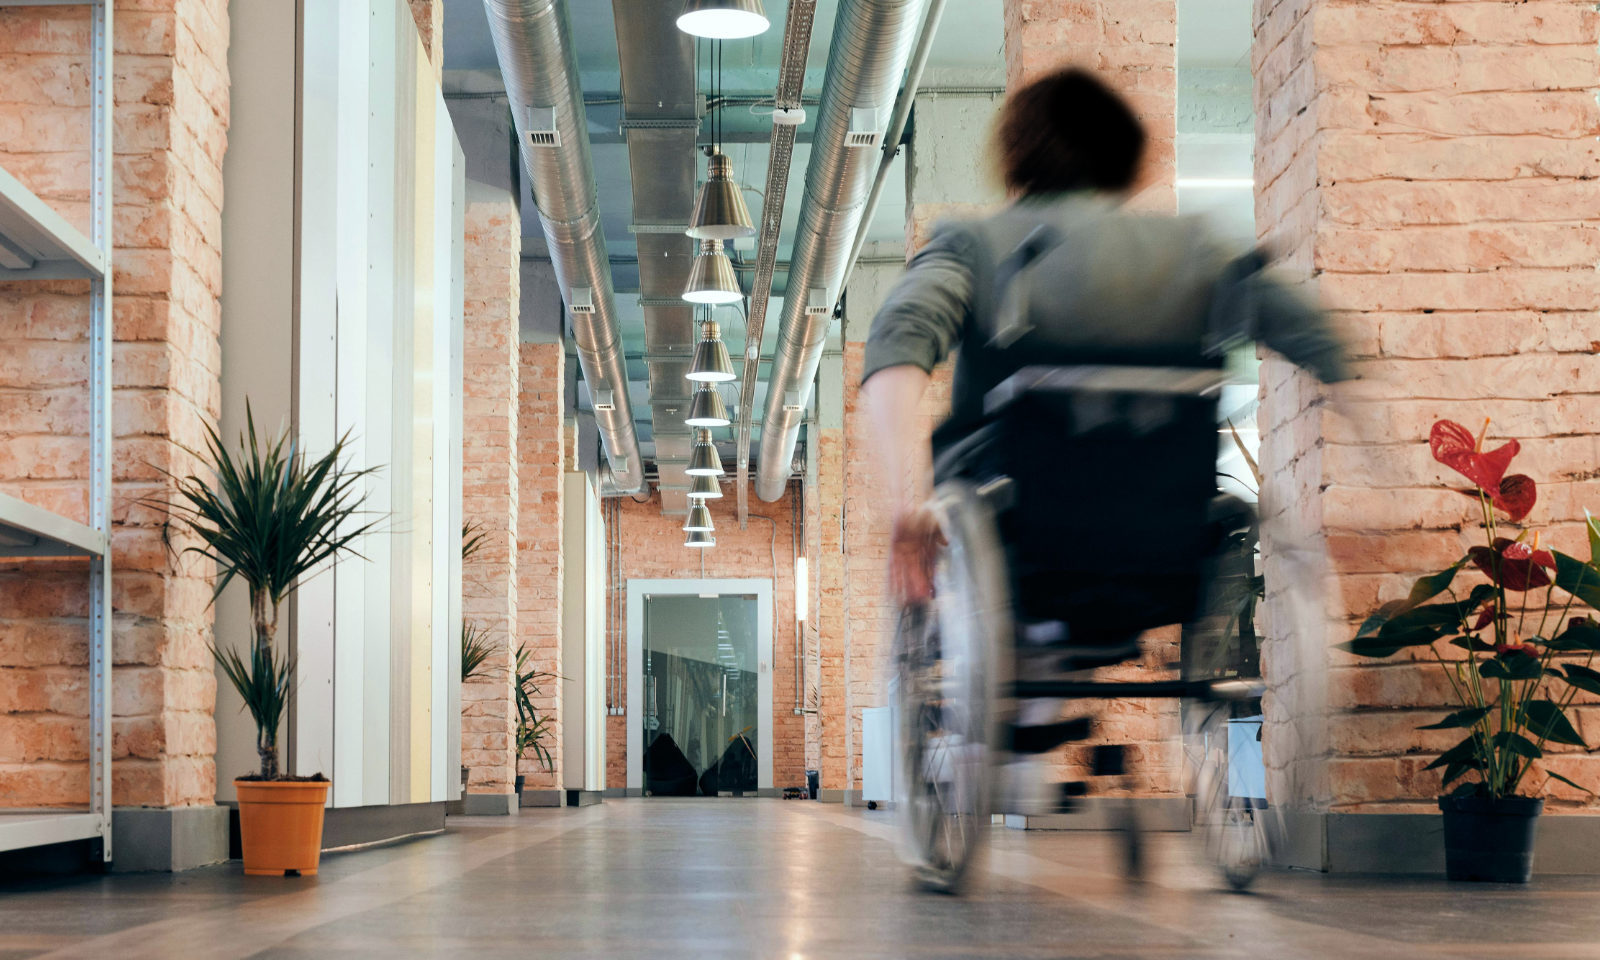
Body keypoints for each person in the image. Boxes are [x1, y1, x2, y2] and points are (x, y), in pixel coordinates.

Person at [859, 67, 1351, 607]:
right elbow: (1317, 337)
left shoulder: (975, 243)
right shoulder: (1195, 247)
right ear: (1127, 156)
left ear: (1014, 155)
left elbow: (898, 343)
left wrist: (906, 504)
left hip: (1015, 515)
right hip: (1165, 519)